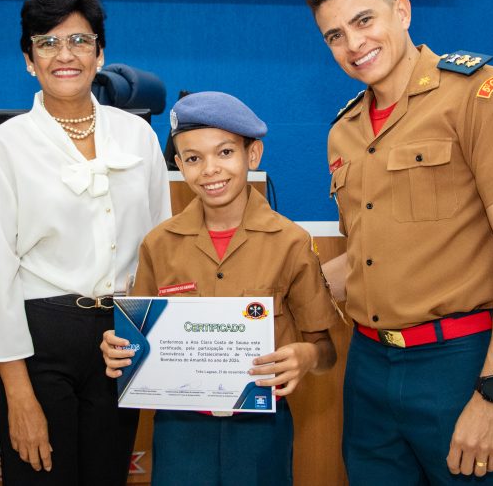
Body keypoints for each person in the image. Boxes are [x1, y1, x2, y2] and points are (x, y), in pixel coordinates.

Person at [306, 0, 493, 484]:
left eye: (364, 20)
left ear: (402, 11)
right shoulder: (344, 132)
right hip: (369, 368)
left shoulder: (480, 93)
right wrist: (271, 296)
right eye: (335, 35)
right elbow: (373, 254)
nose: (354, 43)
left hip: (458, 365)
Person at [0, 0, 171, 485]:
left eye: (79, 40)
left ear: (101, 53)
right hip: (39, 341)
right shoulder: (3, 147)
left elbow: (161, 250)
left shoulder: (137, 135)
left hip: (121, 338)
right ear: (29, 59)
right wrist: (18, 394)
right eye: (47, 42)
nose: (64, 54)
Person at [101, 91, 339, 486]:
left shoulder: (290, 242)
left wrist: (306, 356)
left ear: (253, 154)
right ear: (178, 165)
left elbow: (327, 349)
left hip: (261, 430)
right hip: (180, 429)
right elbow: (137, 340)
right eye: (193, 158)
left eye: (225, 152)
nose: (210, 170)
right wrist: (120, 349)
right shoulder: (158, 244)